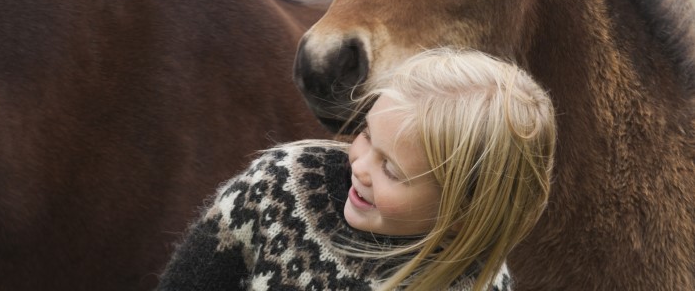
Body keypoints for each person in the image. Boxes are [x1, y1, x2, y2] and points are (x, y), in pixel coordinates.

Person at [156, 47, 556, 291]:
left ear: (463, 213)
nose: (361, 168)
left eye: (393, 171)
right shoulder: (279, 189)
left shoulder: (478, 282)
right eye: (365, 135)